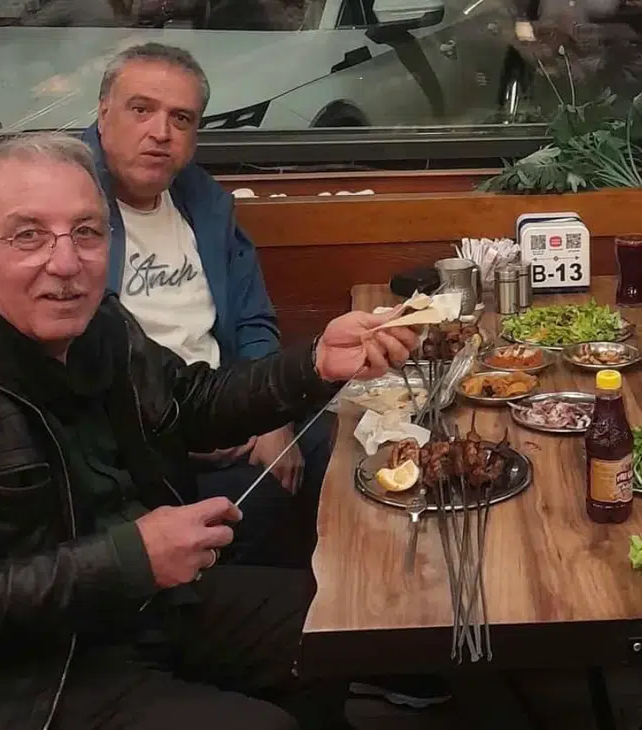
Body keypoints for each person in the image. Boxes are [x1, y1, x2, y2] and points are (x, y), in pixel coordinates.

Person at [0, 132, 417, 730]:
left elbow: (189, 401)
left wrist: (317, 362)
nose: (66, 263)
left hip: (140, 606)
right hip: (25, 674)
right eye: (28, 235)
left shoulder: (98, 323)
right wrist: (129, 559)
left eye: (87, 232)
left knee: (334, 624)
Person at [81, 41, 453, 710]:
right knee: (292, 493)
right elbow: (87, 375)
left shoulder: (202, 201)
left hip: (227, 399)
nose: (160, 132)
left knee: (372, 439)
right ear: (102, 112)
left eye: (182, 118)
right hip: (151, 439)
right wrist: (187, 433)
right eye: (141, 109)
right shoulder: (70, 212)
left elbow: (253, 319)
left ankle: (383, 633)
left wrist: (271, 414)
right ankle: (313, 653)